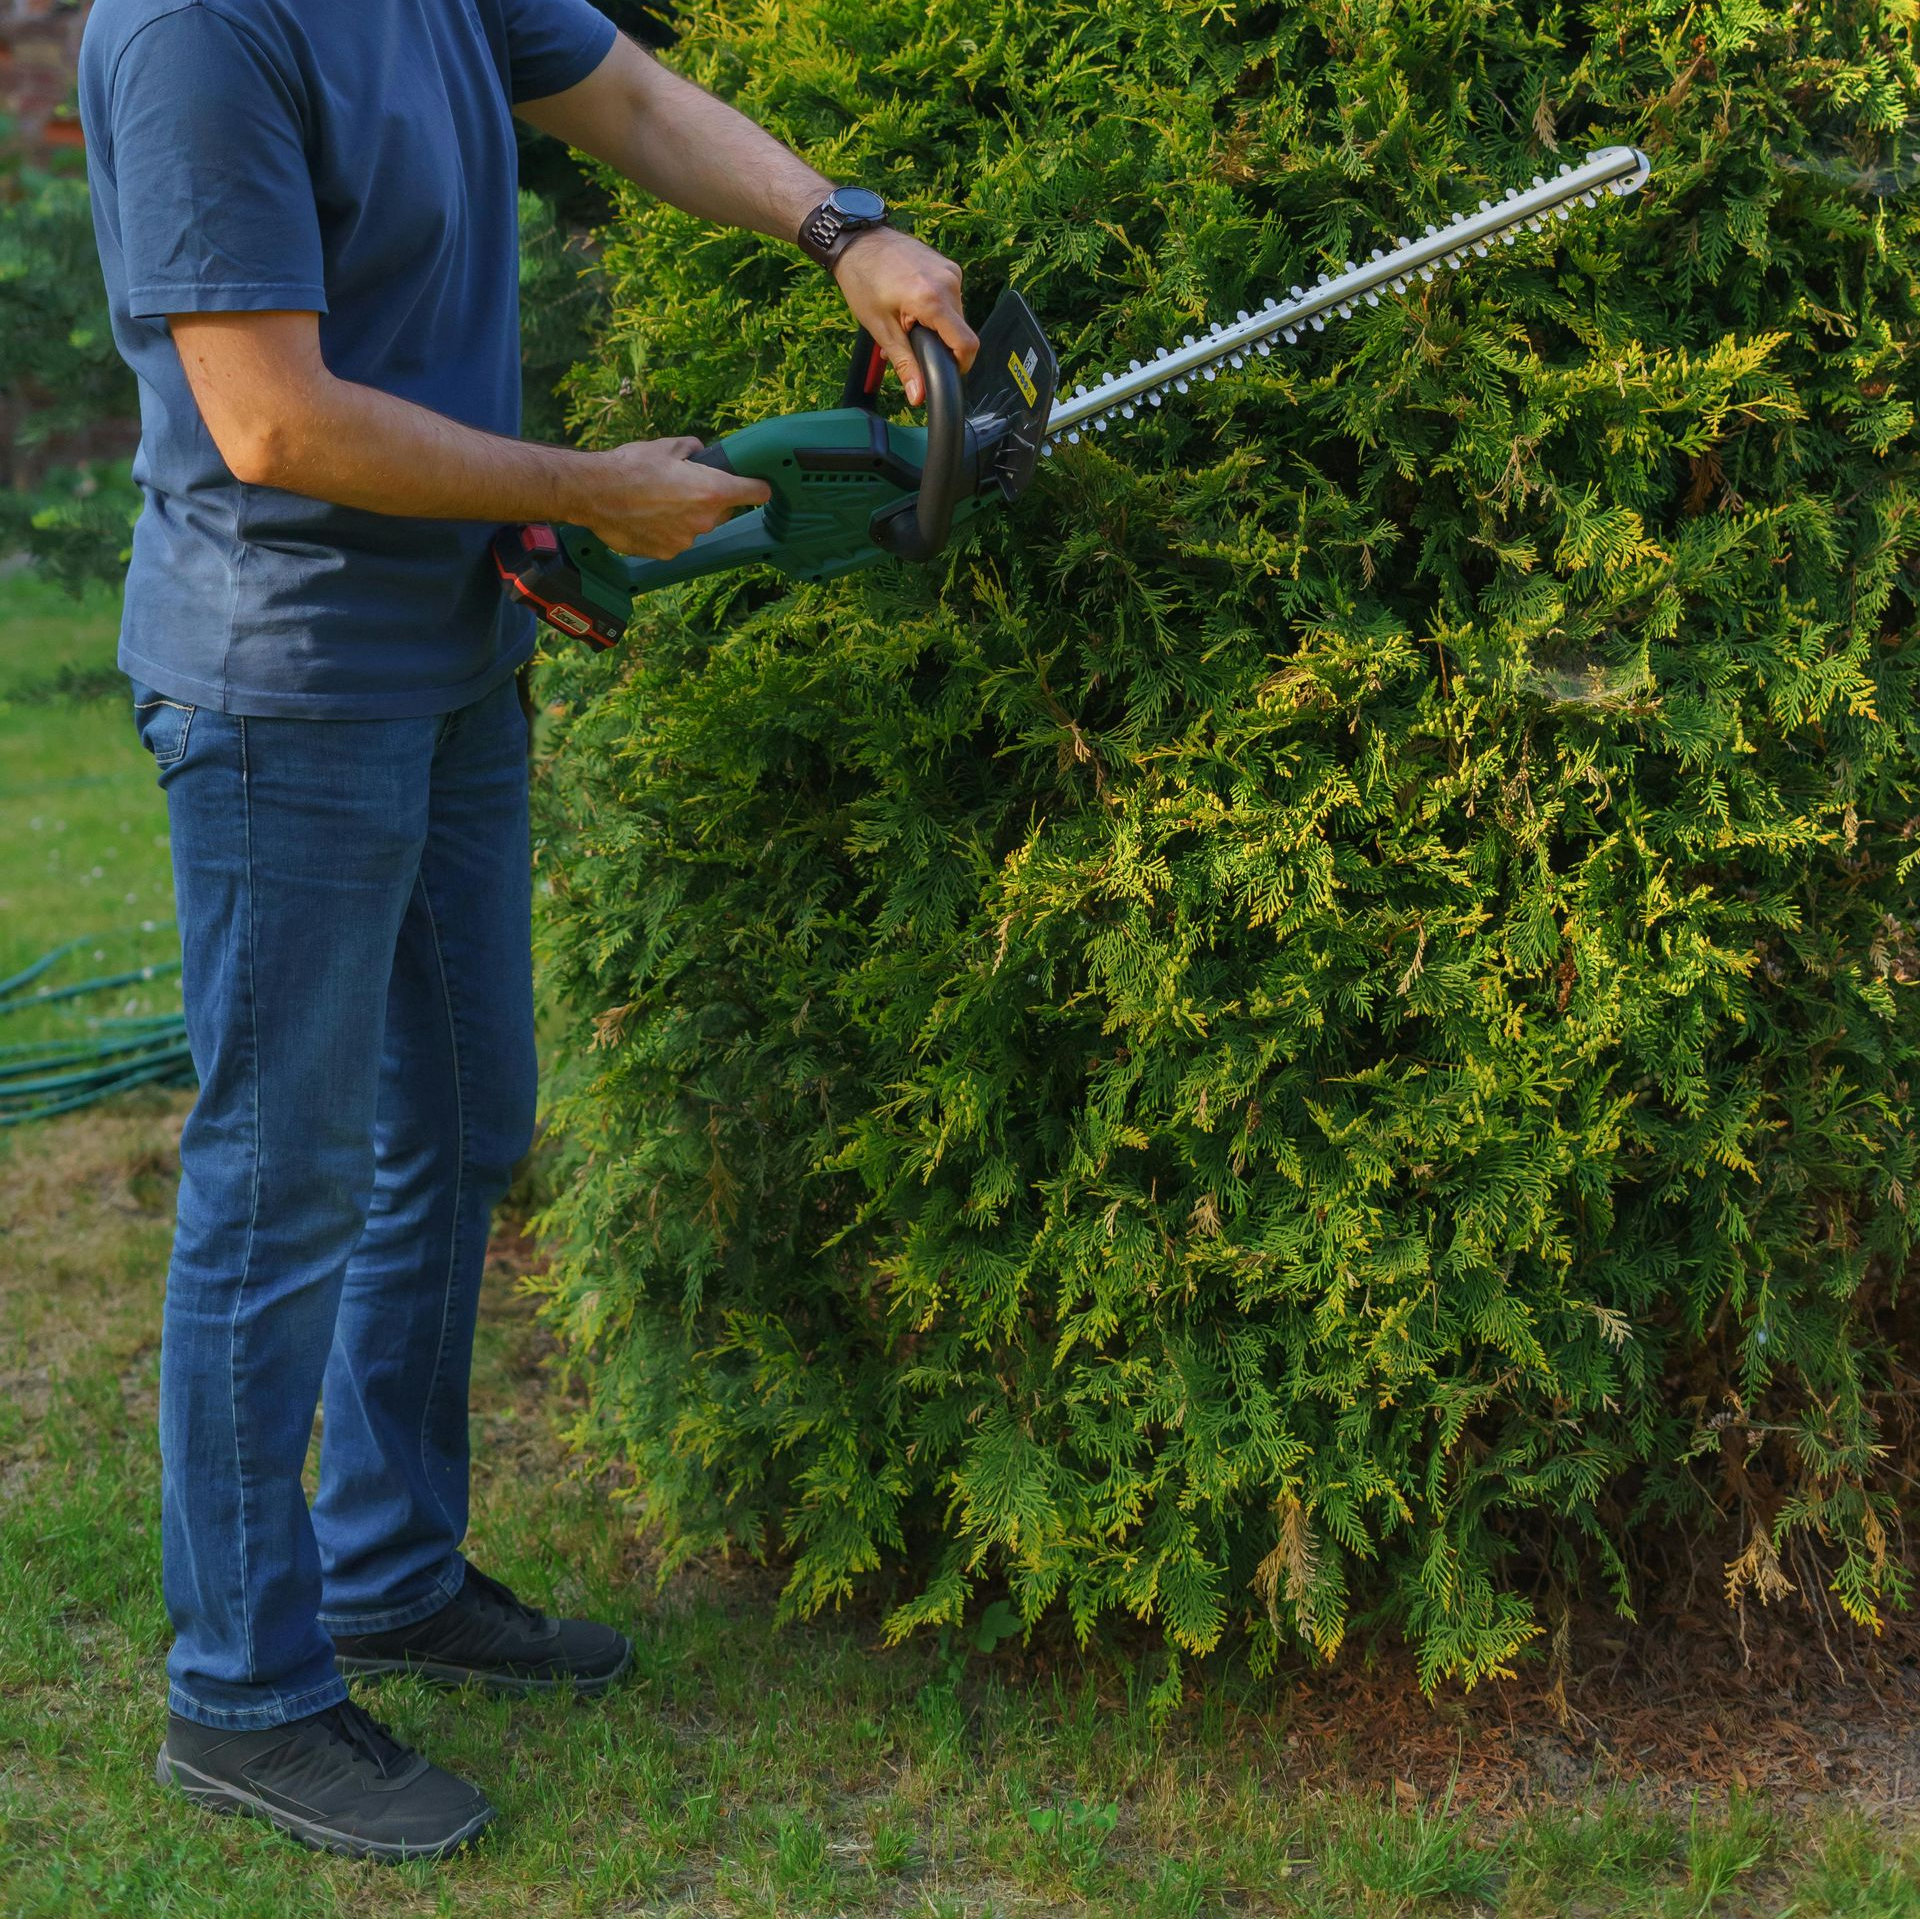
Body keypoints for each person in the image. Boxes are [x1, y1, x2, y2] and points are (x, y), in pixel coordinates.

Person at [77, 0, 976, 1863]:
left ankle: (392, 1568)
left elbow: (625, 90)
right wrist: (588, 488)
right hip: (291, 686)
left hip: (456, 651)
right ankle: (243, 1686)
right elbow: (268, 417)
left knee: (469, 1118)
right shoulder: (191, 31)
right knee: (282, 1177)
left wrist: (845, 228)